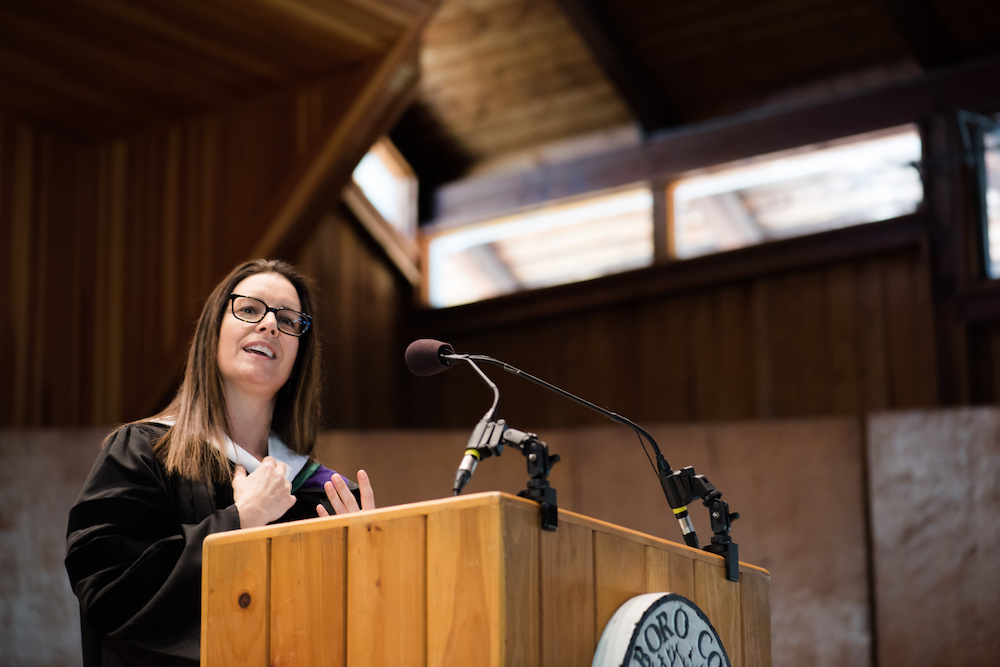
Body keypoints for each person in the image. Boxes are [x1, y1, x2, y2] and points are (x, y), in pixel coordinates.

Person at [65, 259, 375, 666]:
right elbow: (110, 594)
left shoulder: (324, 495)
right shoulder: (142, 453)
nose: (268, 325)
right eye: (249, 309)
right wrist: (239, 522)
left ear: (300, 354)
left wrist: (370, 566)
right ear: (213, 331)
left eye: (287, 320)